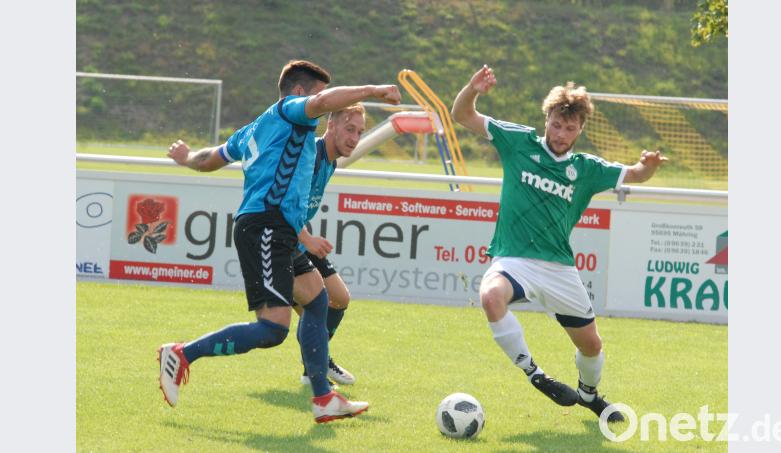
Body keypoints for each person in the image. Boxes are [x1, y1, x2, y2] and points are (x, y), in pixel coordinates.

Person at [158, 60, 400, 424]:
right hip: (266, 226)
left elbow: (212, 158)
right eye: (320, 99)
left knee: (318, 299)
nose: (323, 110)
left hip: (279, 229)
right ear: (299, 93)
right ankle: (181, 354)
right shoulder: (290, 112)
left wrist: (188, 158)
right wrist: (374, 91)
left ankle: (322, 398)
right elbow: (321, 104)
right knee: (273, 329)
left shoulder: (255, 129)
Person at [451, 65, 667, 423]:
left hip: (559, 268)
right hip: (513, 259)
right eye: (556, 124)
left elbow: (637, 174)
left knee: (592, 345)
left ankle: (589, 394)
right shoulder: (518, 142)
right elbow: (462, 115)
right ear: (546, 118)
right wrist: (473, 89)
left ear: (580, 129)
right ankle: (535, 374)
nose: (561, 133)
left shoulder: (587, 169)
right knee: (490, 296)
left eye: (570, 128)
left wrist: (650, 165)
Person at [290, 103, 367, 387]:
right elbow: (283, 202)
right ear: (330, 125)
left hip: (301, 235)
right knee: (314, 308)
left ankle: (317, 361)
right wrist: (305, 238)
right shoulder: (308, 154)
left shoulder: (330, 161)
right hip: (281, 239)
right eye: (350, 129)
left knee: (340, 299)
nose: (355, 138)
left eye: (359, 132)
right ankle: (316, 367)